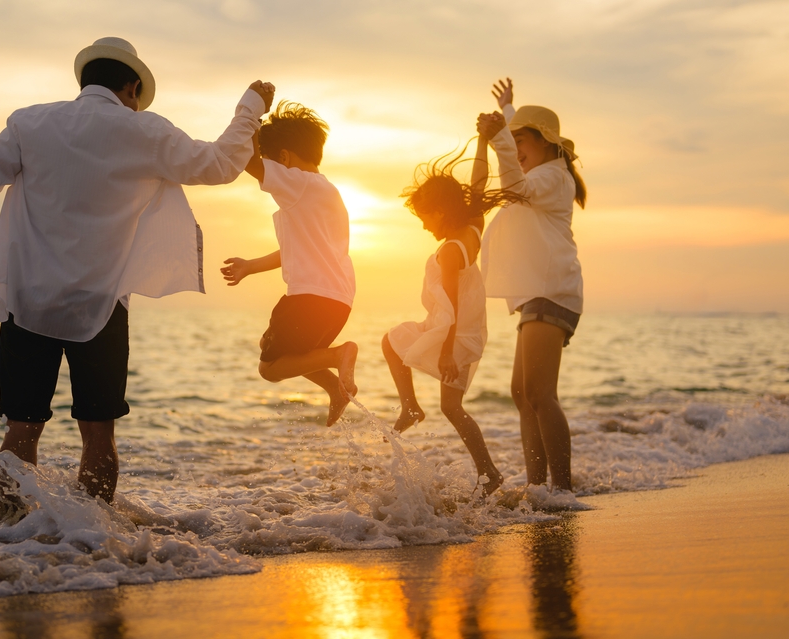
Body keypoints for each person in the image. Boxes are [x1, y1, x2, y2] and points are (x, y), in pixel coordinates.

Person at [0, 36, 275, 519]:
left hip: (29, 300)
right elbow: (217, 165)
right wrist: (249, 108)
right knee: (99, 434)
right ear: (130, 87)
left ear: (85, 79)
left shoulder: (29, 122)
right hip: (101, 305)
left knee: (22, 430)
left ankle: (5, 536)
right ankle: (91, 543)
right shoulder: (144, 131)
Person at [383, 135, 523, 495]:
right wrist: (483, 144)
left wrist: (445, 351)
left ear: (441, 212)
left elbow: (451, 304)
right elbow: (477, 189)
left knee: (390, 341)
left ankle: (411, 407)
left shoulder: (449, 251)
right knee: (452, 407)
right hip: (467, 333)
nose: (424, 225)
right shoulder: (473, 229)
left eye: (425, 217)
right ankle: (489, 472)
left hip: (451, 332)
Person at [477, 78, 586, 492]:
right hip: (540, 292)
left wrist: (501, 136)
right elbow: (519, 167)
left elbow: (515, 187)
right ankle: (538, 488)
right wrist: (508, 112)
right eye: (514, 140)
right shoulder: (546, 172)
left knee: (540, 393)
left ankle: (561, 491)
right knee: (523, 393)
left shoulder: (553, 177)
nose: (516, 148)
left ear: (547, 143)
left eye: (523, 140)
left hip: (552, 289)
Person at [220, 102, 358, 427]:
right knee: (286, 354)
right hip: (338, 301)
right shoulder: (326, 193)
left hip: (311, 298)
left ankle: (341, 355)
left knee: (269, 368)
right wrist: (249, 266)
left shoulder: (299, 184)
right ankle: (335, 389)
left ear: (284, 158)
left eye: (272, 161)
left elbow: (248, 161)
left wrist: (251, 114)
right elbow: (292, 250)